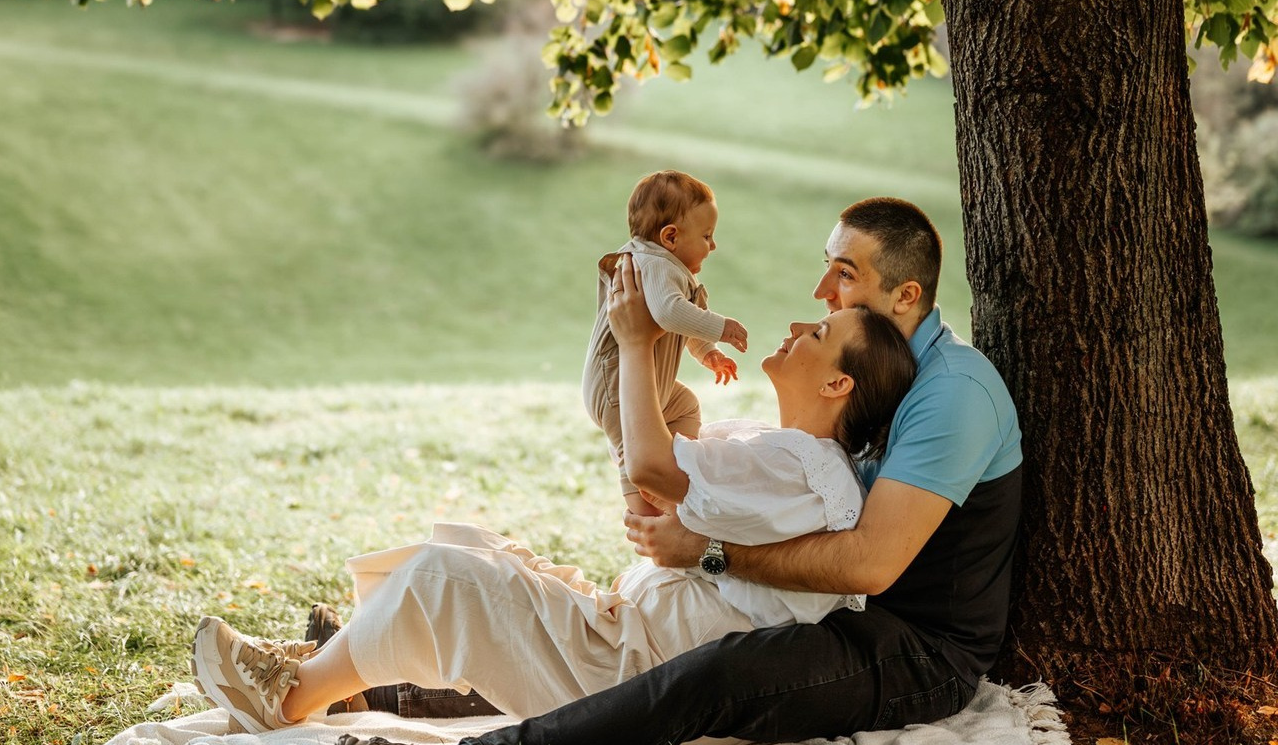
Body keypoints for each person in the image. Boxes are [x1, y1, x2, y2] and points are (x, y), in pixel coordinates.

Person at [189, 291, 916, 733]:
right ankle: (322, 674)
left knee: (451, 577)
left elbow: (650, 468)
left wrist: (635, 344)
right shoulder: (780, 450)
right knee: (476, 550)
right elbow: (660, 487)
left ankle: (285, 699)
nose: (798, 324)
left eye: (819, 335)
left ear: (838, 384)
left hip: (641, 672)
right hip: (631, 636)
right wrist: (653, 355)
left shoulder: (808, 470)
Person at [458, 196, 1023, 745]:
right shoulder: (875, 364)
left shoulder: (953, 393)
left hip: (915, 646)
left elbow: (870, 565)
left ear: (906, 295)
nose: (822, 292)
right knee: (654, 635)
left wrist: (708, 551)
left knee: (722, 671)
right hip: (831, 605)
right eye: (826, 267)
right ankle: (410, 692)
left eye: (845, 274)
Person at [584, 169, 750, 515]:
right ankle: (645, 512)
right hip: (616, 382)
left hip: (649, 381)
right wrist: (721, 328)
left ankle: (678, 471)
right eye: (707, 236)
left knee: (685, 404)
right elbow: (670, 313)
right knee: (633, 454)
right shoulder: (654, 263)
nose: (713, 246)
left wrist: (707, 352)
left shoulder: (665, 266)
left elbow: (679, 321)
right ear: (671, 237)